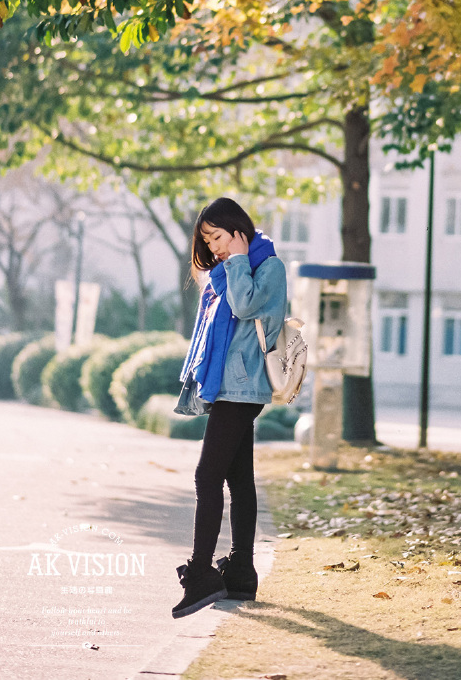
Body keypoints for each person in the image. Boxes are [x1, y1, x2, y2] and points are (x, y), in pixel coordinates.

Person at [171, 197, 287, 619]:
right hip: (228, 387)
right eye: (207, 240)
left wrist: (237, 260)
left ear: (239, 229)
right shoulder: (226, 271)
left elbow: (245, 306)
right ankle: (240, 571)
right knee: (239, 479)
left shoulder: (267, 267)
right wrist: (230, 263)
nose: (214, 247)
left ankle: (202, 573)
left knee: (207, 476)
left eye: (218, 237)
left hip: (244, 387)